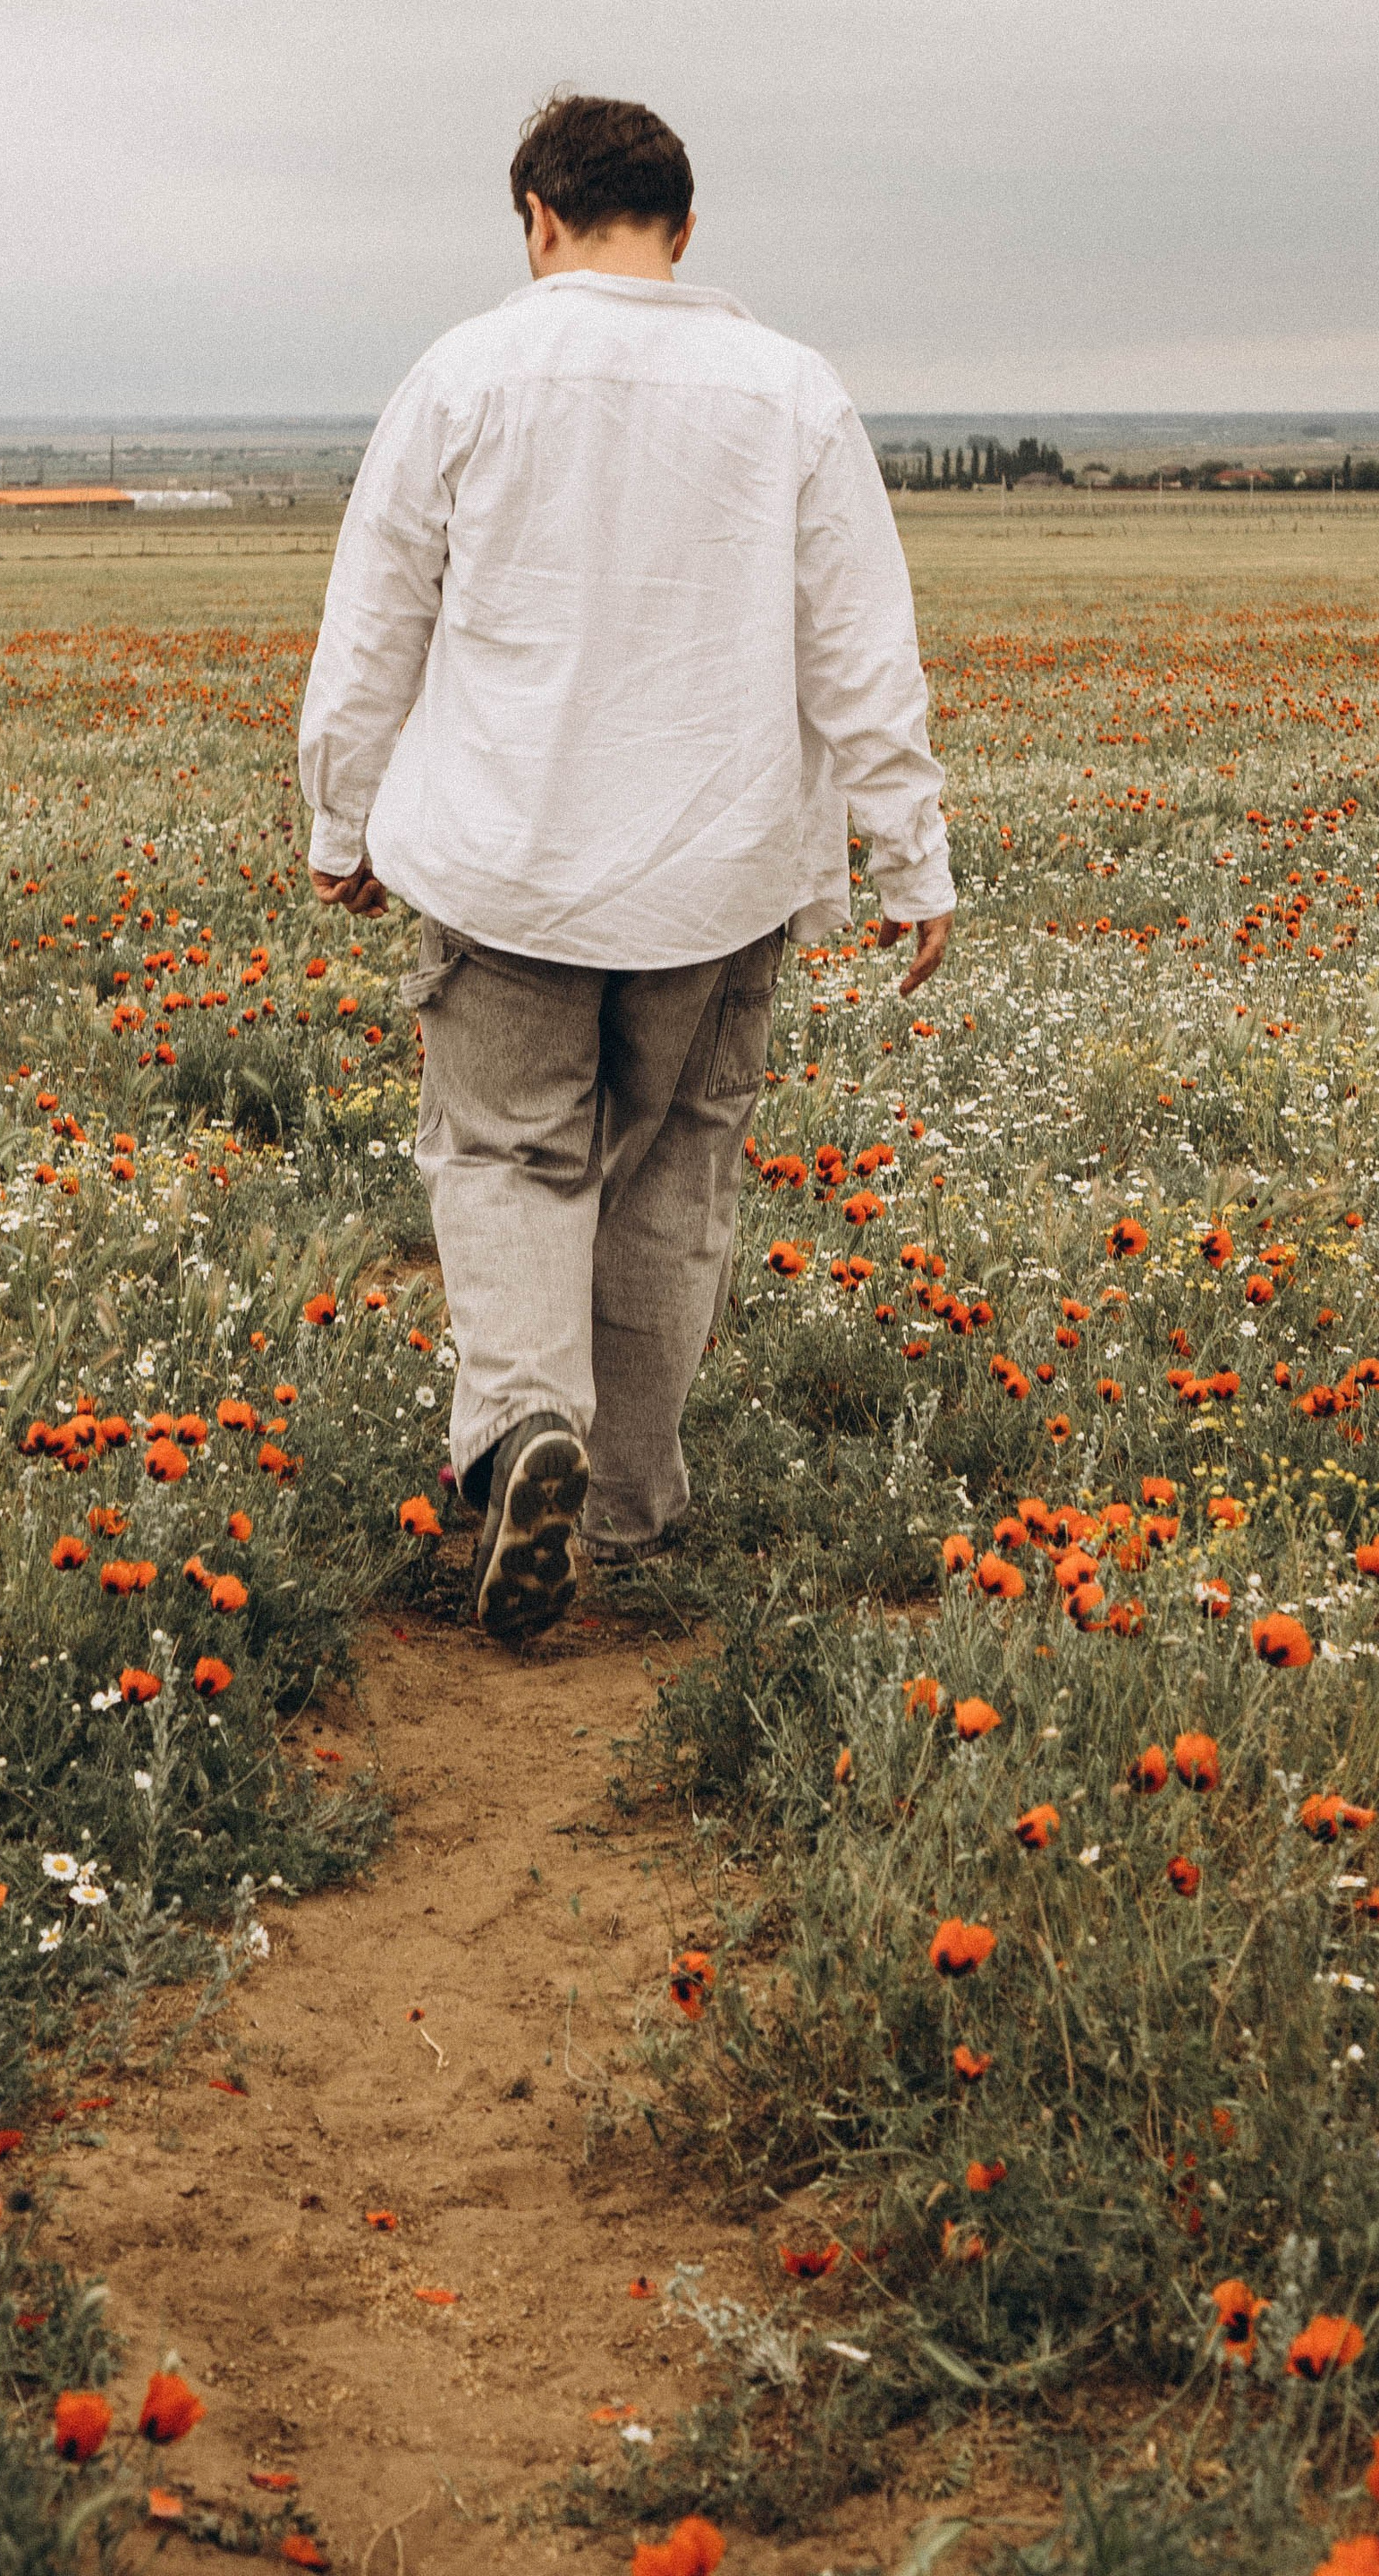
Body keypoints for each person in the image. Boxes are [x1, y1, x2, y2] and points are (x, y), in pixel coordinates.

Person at [298, 92, 952, 1639]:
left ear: (534, 215)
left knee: (510, 1155)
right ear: (685, 227)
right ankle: (633, 1508)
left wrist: (342, 821)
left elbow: (374, 620)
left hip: (506, 860)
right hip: (717, 871)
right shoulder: (790, 390)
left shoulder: (464, 374)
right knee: (671, 1176)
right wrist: (909, 850)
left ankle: (528, 1427)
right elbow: (864, 642)